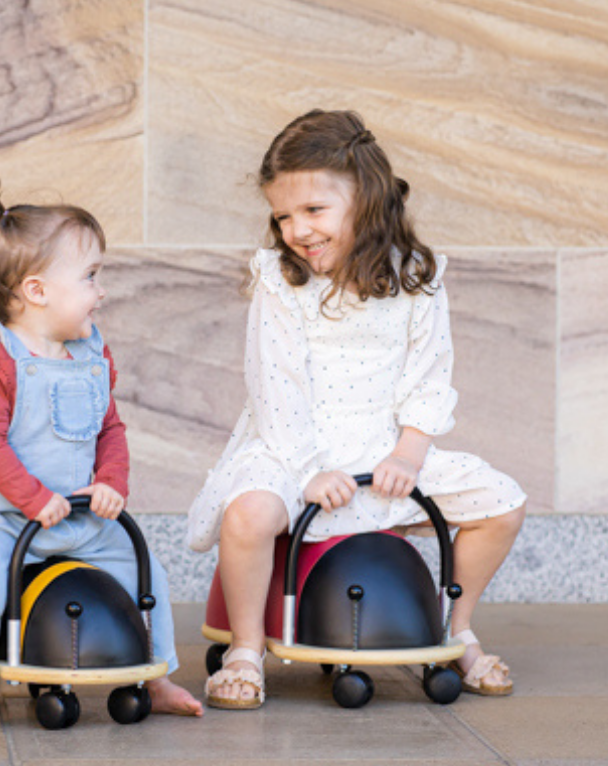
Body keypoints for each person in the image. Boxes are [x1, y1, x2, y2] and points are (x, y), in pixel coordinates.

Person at [187, 110, 527, 710]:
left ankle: (452, 627)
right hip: (291, 444)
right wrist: (305, 470)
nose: (297, 229)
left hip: (380, 447)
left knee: (502, 503)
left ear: (365, 199)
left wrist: (409, 453)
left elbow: (428, 377)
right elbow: (276, 386)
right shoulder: (282, 281)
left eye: (314, 210)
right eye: (283, 216)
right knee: (250, 515)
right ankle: (246, 647)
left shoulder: (415, 278)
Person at [0, 186, 203, 726]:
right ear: (36, 290)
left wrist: (110, 480)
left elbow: (109, 427)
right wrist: (32, 498)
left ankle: (155, 675)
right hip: (8, 518)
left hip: (78, 517)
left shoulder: (89, 353)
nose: (100, 291)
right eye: (89, 277)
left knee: (144, 567)